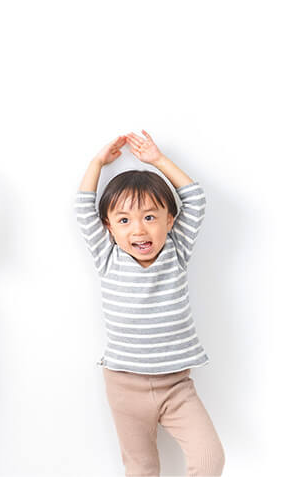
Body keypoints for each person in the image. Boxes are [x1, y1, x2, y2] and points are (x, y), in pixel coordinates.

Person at [75, 131, 225, 476]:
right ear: (109, 228)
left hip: (177, 386)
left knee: (209, 458)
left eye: (150, 217)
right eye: (124, 220)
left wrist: (158, 160)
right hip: (124, 385)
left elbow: (196, 199)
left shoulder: (176, 250)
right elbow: (83, 206)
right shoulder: (107, 256)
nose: (139, 231)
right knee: (141, 468)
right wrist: (97, 163)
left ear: (169, 221)